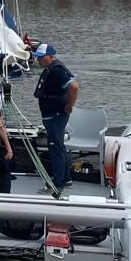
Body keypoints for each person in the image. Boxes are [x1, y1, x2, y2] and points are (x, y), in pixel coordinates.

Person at [32, 43, 79, 196]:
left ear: (51, 56)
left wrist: (70, 106)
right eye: (37, 57)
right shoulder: (50, 68)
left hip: (56, 115)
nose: (38, 60)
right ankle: (66, 178)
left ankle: (57, 184)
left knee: (55, 148)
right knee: (59, 146)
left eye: (41, 57)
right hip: (50, 114)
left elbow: (73, 86)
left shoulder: (57, 70)